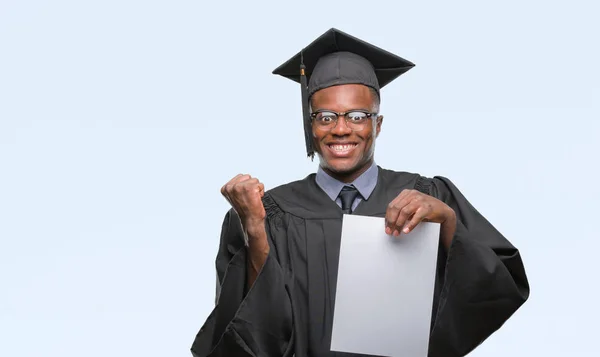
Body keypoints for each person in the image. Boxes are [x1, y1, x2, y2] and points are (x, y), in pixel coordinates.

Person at [190, 28, 530, 357]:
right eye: (325, 117)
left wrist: (448, 224)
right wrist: (254, 230)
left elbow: (498, 290)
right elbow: (243, 342)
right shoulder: (268, 214)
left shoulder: (428, 197)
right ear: (310, 126)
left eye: (357, 116)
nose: (341, 129)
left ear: (377, 124)